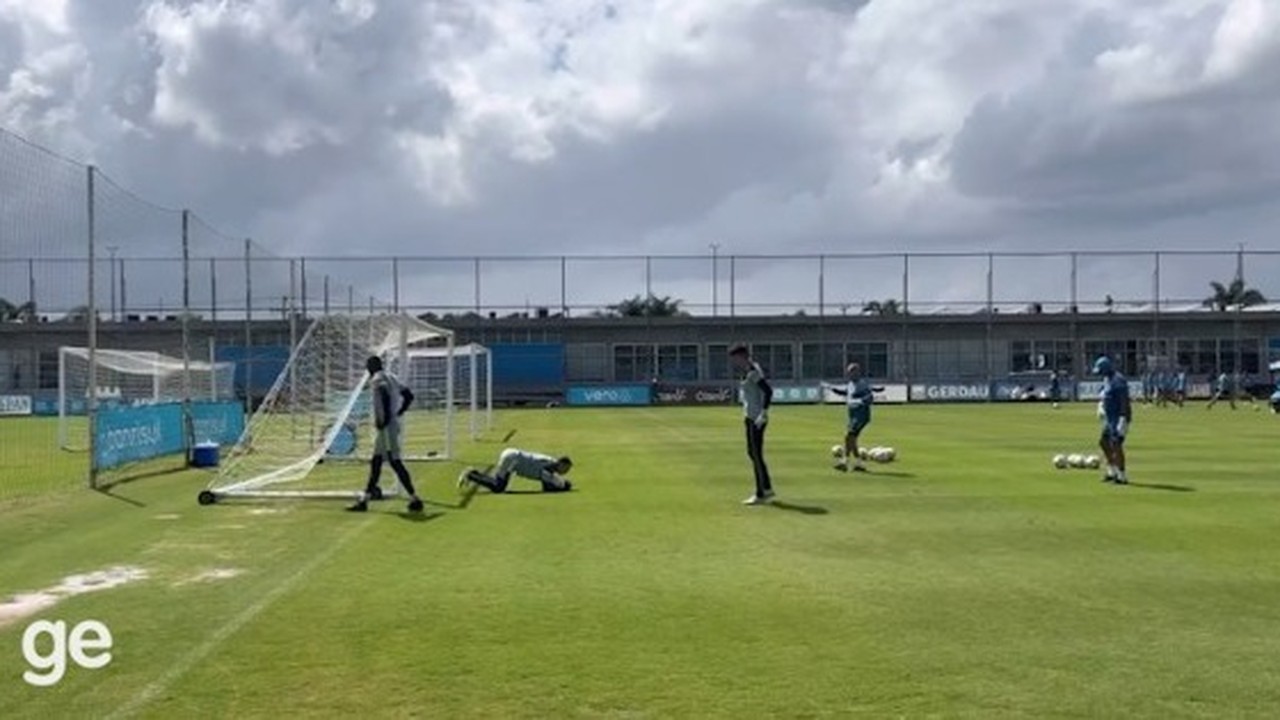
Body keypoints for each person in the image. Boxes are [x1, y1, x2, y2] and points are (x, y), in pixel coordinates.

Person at [348, 356, 425, 513]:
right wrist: (399, 412)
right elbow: (409, 395)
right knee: (376, 463)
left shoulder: (377, 380)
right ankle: (364, 500)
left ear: (372, 367)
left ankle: (415, 499)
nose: (367, 370)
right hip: (390, 426)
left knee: (394, 462)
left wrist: (384, 419)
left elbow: (383, 394)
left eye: (368, 367)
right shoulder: (392, 377)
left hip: (386, 428)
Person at [729, 343, 774, 505]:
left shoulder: (753, 371)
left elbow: (768, 391)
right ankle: (766, 487)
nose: (734, 362)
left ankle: (761, 493)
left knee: (755, 454)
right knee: (753, 453)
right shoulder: (747, 371)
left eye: (735, 358)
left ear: (742, 356)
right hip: (750, 416)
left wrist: (764, 412)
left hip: (756, 418)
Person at [825, 363, 874, 472]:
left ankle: (845, 462)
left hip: (861, 415)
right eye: (849, 373)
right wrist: (832, 388)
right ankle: (859, 464)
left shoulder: (862, 385)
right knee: (852, 439)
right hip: (853, 415)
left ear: (857, 373)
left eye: (852, 372)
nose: (850, 375)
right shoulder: (851, 384)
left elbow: (870, 398)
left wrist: (861, 400)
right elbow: (845, 393)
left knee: (849, 437)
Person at [458, 448, 574, 493]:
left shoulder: (551, 465)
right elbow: (547, 487)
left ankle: (473, 474)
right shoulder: (549, 467)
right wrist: (563, 486)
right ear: (561, 464)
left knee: (499, 484)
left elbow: (549, 482)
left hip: (512, 456)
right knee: (499, 487)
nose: (565, 472)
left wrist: (562, 484)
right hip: (512, 459)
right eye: (566, 469)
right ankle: (471, 474)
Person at [1093, 356, 1132, 485]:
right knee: (1103, 442)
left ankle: (1122, 475)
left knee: (1116, 445)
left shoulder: (1118, 380)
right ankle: (1111, 470)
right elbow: (1104, 394)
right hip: (1109, 418)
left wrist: (1123, 418)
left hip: (1118, 417)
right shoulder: (1107, 379)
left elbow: (1124, 401)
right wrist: (1101, 406)